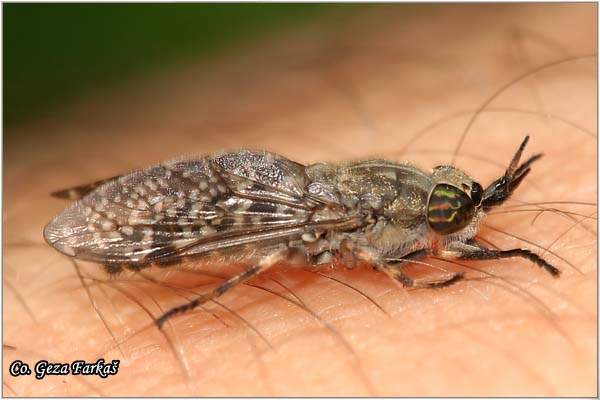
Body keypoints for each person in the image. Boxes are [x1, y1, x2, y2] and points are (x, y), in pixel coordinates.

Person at [3, 4, 596, 396]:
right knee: (268, 248)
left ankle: (108, 205)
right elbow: (384, 253)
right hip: (282, 216)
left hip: (294, 192)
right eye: (449, 213)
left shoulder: (408, 207)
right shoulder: (366, 219)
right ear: (424, 210)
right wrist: (507, 260)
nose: (453, 225)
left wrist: (498, 249)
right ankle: (180, 279)